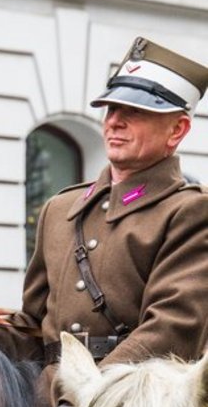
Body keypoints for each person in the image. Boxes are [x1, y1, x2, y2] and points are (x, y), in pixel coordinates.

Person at [21, 36, 208, 386]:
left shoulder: (191, 212)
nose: (115, 122)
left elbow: (170, 331)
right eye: (111, 109)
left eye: (135, 112)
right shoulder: (60, 210)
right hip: (50, 402)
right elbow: (33, 331)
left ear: (177, 130)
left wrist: (90, 394)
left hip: (133, 405)